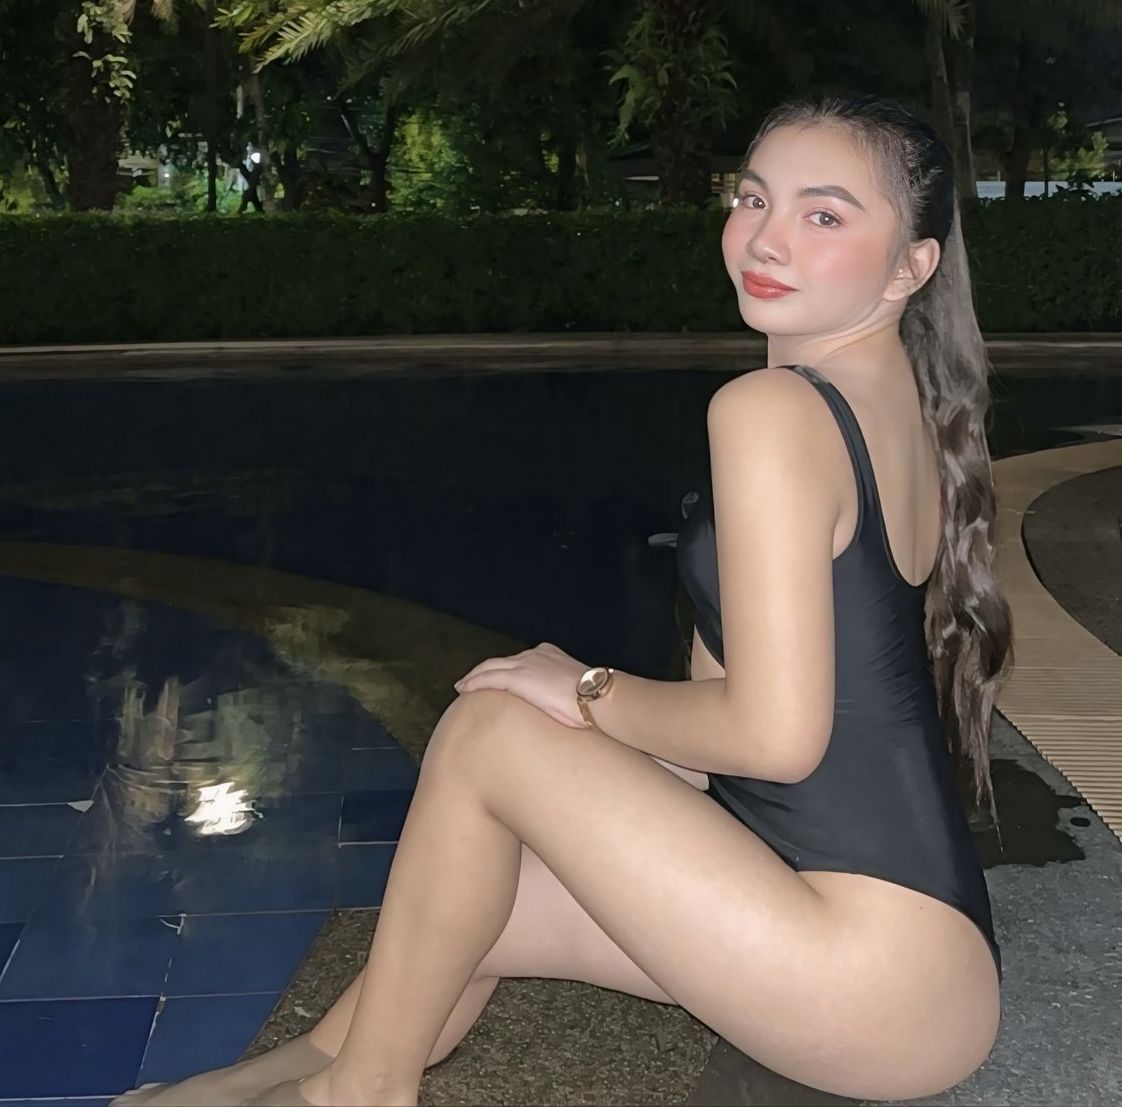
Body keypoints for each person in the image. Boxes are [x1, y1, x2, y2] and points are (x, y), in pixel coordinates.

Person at [116, 93, 1012, 1107]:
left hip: (864, 974)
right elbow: (727, 716)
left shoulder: (773, 411)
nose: (767, 239)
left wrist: (585, 690)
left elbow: (773, 739)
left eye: (824, 214)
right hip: (924, 967)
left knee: (491, 727)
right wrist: (589, 764)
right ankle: (281, 1074)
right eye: (752, 198)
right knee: (471, 898)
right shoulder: (894, 396)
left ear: (909, 266)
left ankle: (360, 1094)